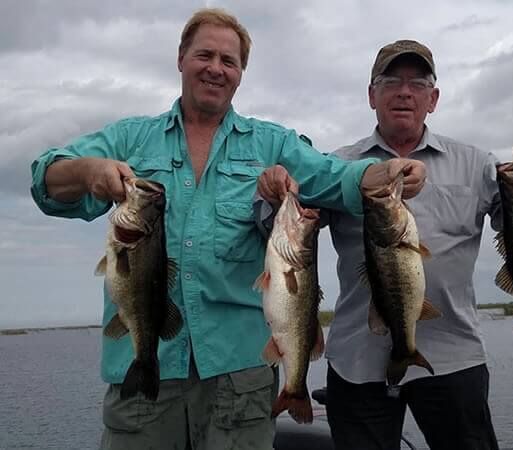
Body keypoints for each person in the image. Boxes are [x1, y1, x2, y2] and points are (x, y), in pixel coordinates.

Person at [29, 10, 425, 450]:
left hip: (239, 380)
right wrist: (88, 170)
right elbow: (46, 180)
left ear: (240, 75)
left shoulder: (271, 143)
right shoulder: (130, 139)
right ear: (181, 58)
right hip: (144, 376)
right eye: (205, 55)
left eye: (229, 61)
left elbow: (338, 178)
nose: (216, 68)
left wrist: (388, 172)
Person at [322, 40, 513, 450]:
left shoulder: (477, 163)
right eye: (390, 81)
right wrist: (278, 187)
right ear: (371, 95)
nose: (404, 91)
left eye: (417, 83)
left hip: (454, 354)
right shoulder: (336, 167)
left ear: (432, 99)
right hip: (356, 358)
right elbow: (286, 225)